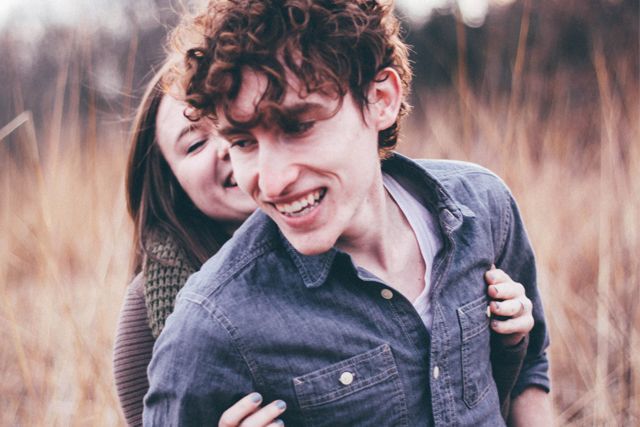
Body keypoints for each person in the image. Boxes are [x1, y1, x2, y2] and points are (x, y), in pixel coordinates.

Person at [144, 0, 552, 425]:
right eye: (244, 142)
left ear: (380, 99)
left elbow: (531, 368)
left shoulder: (482, 206)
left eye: (298, 126)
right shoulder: (212, 322)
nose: (272, 182)